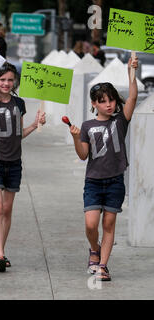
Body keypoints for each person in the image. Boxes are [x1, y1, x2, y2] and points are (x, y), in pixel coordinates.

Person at [0, 62, 46, 272]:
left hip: (14, 162)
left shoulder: (19, 103)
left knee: (8, 209)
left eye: (10, 80)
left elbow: (20, 134)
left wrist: (36, 123)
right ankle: (0, 254)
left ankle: (1, 251)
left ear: (15, 82)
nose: (6, 83)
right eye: (2, 79)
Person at [68, 56, 138, 281]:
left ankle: (103, 266)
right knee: (91, 225)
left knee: (109, 223)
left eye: (112, 100)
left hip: (115, 180)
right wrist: (77, 138)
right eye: (103, 101)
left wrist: (131, 72)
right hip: (94, 182)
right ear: (94, 104)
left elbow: (134, 97)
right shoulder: (88, 126)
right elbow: (83, 155)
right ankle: (94, 248)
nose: (109, 104)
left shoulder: (120, 121)